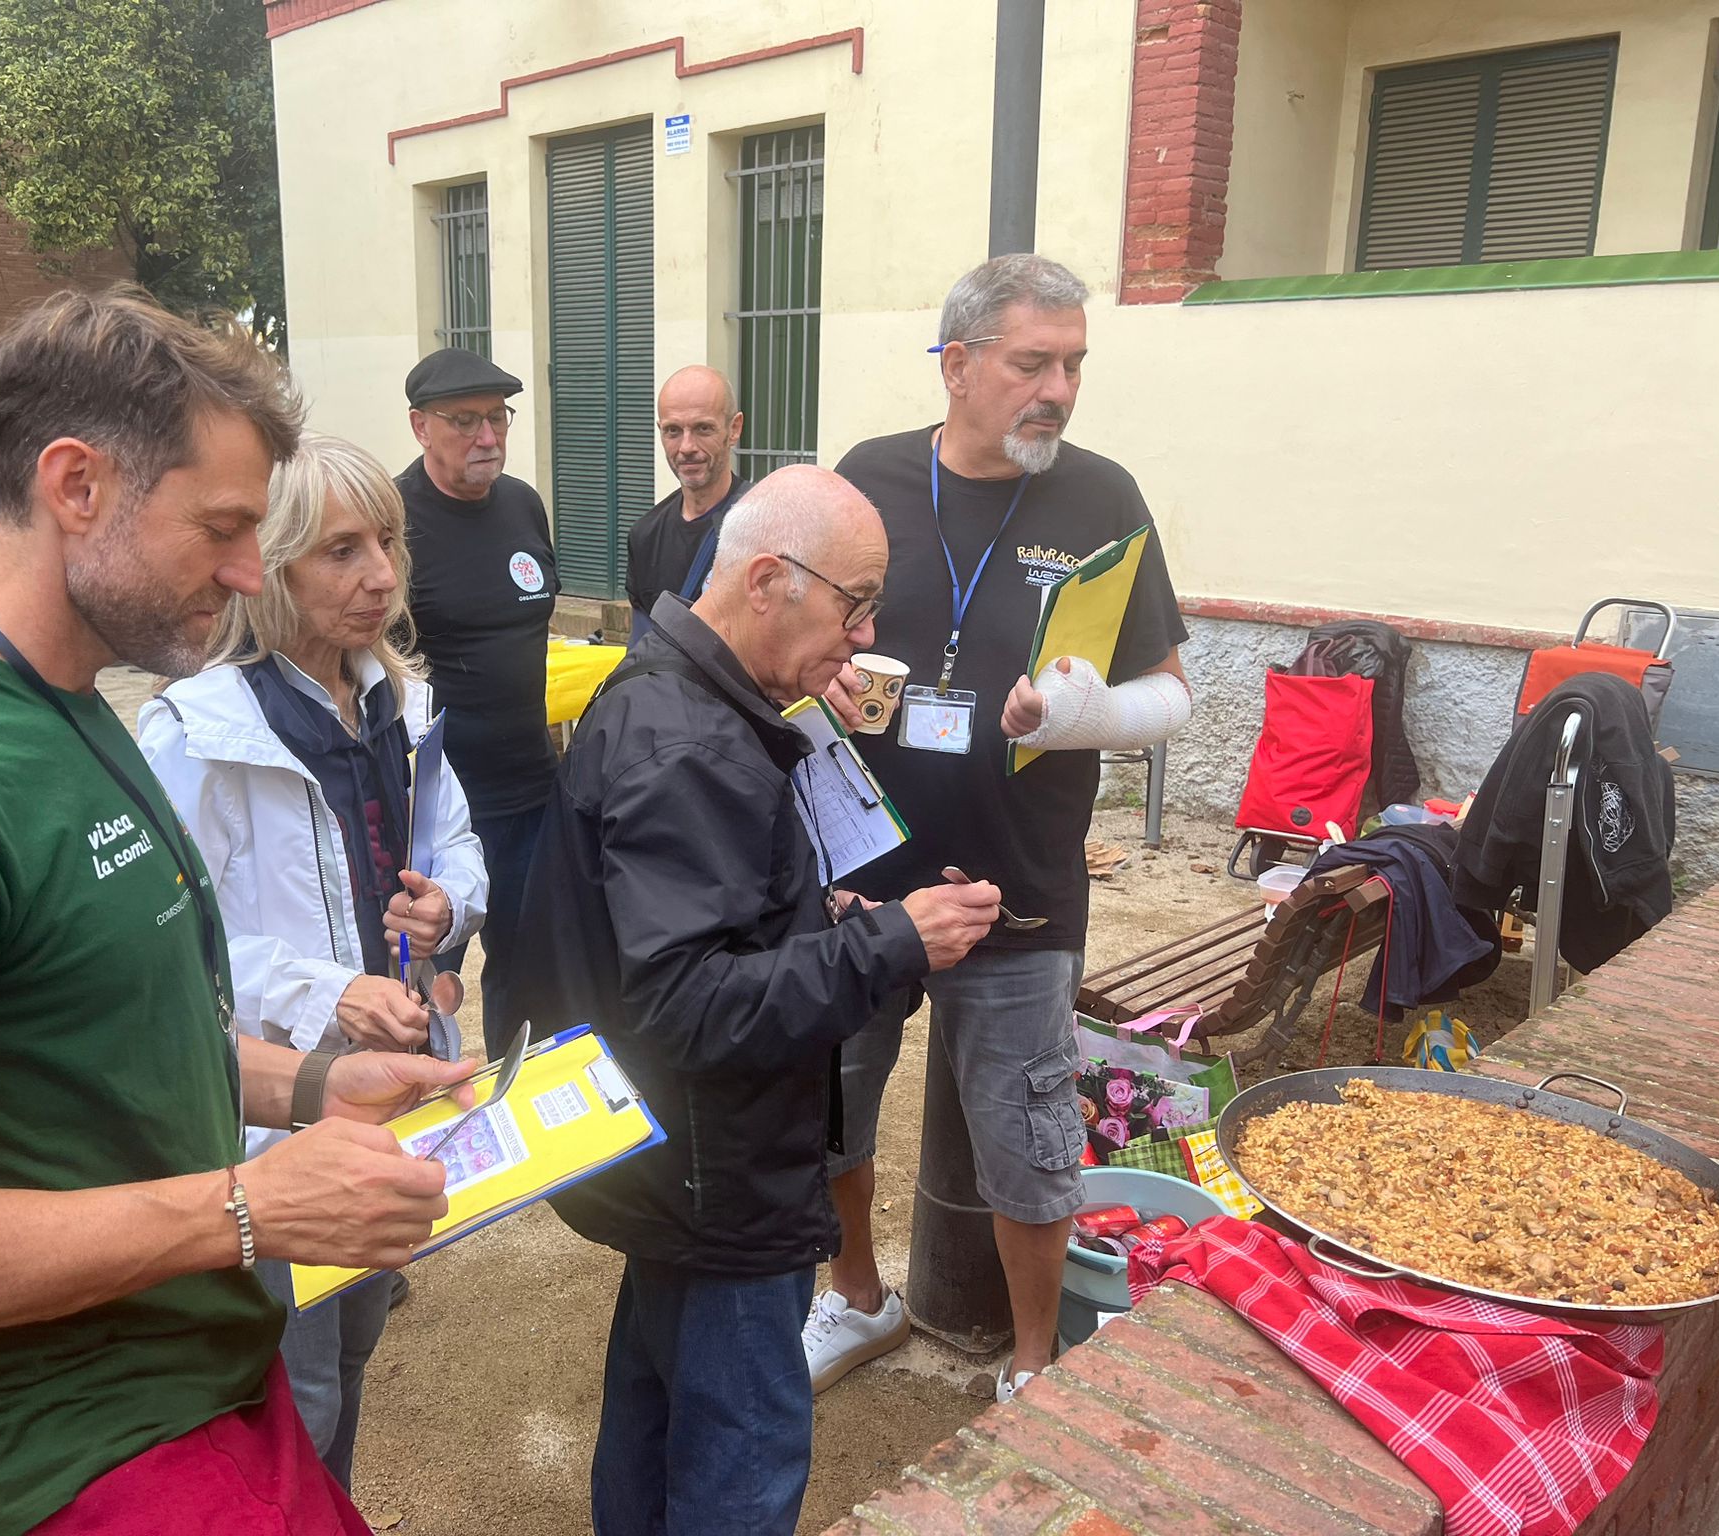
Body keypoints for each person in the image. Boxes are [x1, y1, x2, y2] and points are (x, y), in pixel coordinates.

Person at [0, 285, 476, 1536]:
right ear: (76, 485)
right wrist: (249, 1207)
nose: (247, 573)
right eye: (223, 527)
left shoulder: (74, 708)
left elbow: (96, 1027)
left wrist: (308, 1089)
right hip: (62, 1435)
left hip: (194, 1368)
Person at [519, 466, 1003, 1536]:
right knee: (734, 1460)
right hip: (720, 1182)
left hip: (681, 1169)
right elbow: (689, 1004)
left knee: (652, 1428)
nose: (864, 631)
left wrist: (807, 916)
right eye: (854, 601)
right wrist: (889, 940)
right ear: (770, 579)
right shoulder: (685, 739)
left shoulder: (684, 698)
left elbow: (686, 932)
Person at [809, 254, 1193, 1403]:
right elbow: (790, 634)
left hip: (1015, 890)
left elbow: (1171, 694)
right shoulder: (866, 477)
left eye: (1072, 364)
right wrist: (819, 677)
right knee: (832, 1103)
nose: (1058, 389)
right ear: (958, 364)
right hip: (860, 881)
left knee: (1027, 1149)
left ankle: (1033, 1366)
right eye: (1033, 362)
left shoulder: (1101, 498)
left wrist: (1079, 713)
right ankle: (859, 1300)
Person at [140, 430, 490, 1493]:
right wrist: (326, 987)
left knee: (353, 1346)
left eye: (385, 542)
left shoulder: (402, 703)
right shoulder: (195, 733)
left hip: (392, 1088)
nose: (378, 575)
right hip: (269, 1116)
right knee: (297, 1391)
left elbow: (457, 847)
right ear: (267, 567)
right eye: (339, 550)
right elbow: (165, 946)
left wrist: (449, 907)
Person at [398, 346, 558, 1055]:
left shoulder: (524, 504)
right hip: (435, 816)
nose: (488, 436)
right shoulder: (393, 522)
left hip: (532, 797)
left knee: (531, 982)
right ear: (419, 426)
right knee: (421, 995)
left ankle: (517, 1126)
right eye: (465, 420)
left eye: (498, 417)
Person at [624, 366, 748, 643]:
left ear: (734, 428)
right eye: (673, 431)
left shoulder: (768, 526)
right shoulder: (645, 536)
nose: (686, 446)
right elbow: (644, 649)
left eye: (703, 428)